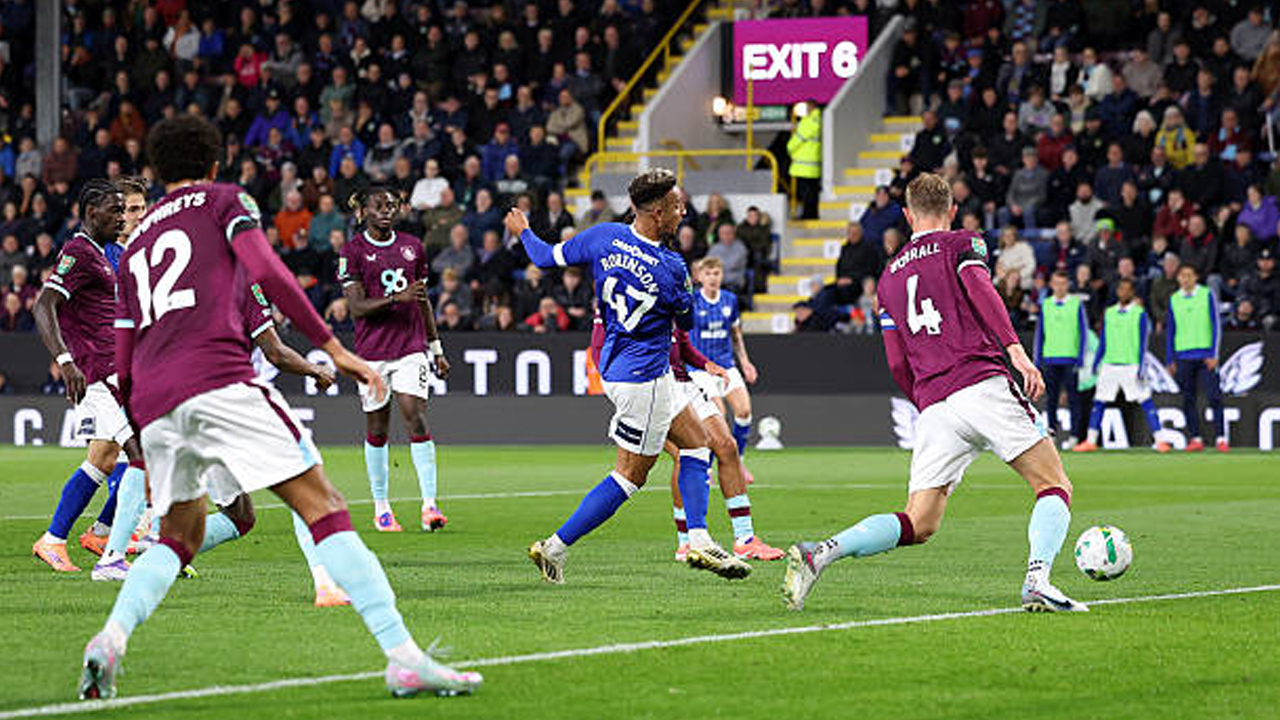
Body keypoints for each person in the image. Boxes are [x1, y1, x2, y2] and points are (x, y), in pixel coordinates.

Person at [78, 115, 480, 701]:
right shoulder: (223, 200)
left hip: (158, 401)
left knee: (175, 536)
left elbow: (123, 338)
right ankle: (403, 656)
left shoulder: (135, 241)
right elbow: (267, 269)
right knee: (325, 506)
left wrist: (139, 411)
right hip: (219, 380)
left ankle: (111, 638)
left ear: (160, 173)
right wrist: (335, 348)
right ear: (216, 164)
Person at [782, 173, 1085, 614]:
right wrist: (1017, 352)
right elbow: (982, 291)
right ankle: (1038, 579)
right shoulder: (963, 243)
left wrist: (928, 401)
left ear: (906, 216)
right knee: (1053, 483)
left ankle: (821, 551)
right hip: (980, 383)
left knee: (918, 521)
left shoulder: (887, 280)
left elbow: (896, 363)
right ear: (952, 210)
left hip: (935, 403)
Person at [505, 168, 750, 584]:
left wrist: (524, 230)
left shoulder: (603, 236)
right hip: (645, 378)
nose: (682, 211)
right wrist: (684, 290)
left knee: (697, 445)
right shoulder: (671, 265)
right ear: (656, 213)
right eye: (676, 206)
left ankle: (699, 538)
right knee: (630, 475)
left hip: (618, 364)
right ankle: (554, 547)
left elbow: (545, 257)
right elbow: (686, 321)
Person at [30, 181, 145, 574]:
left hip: (116, 372)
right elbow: (44, 304)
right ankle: (114, 554)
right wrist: (65, 360)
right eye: (116, 210)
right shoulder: (79, 252)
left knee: (103, 459)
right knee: (143, 455)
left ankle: (62, 538)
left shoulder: (101, 254)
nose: (121, 218)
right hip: (98, 373)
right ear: (92, 213)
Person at [339, 187, 452, 532]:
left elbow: (422, 301)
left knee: (414, 415)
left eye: (391, 206)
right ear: (364, 212)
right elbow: (356, 307)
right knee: (377, 428)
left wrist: (436, 350)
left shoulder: (412, 247)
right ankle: (381, 508)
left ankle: (430, 506)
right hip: (371, 353)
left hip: (410, 348)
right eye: (379, 206)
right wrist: (395, 297)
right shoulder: (353, 250)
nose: (387, 211)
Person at [1073, 278, 1169, 454]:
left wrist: (1141, 366)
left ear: (1132, 293)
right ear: (1117, 292)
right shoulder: (1109, 313)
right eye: (1121, 289)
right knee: (1099, 402)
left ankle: (1161, 440)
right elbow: (1103, 340)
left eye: (1127, 289)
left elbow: (1143, 342)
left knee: (1145, 401)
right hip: (1110, 364)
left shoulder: (1139, 313)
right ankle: (1091, 440)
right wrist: (1096, 363)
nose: (1124, 292)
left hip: (1131, 365)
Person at [687, 257, 759, 480]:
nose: (712, 278)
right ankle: (707, 467)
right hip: (702, 370)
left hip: (727, 366)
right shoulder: (691, 302)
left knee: (744, 411)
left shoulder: (730, 301)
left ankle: (738, 462)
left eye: (716, 273)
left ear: (722, 276)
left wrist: (745, 362)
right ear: (699, 277)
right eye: (708, 274)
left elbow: (736, 335)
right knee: (719, 415)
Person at [1164, 264, 1226, 452]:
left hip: (1205, 355)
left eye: (1189, 275)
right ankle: (1196, 438)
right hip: (1183, 356)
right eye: (1182, 276)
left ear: (1196, 277)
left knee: (1214, 397)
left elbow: (1216, 325)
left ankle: (1221, 438)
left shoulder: (1207, 295)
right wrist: (1170, 359)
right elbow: (1171, 331)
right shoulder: (1174, 299)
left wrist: (1214, 354)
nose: (1186, 279)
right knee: (1188, 399)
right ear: (1178, 279)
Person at [1034, 271, 1088, 449]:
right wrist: (1037, 360)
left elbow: (1083, 333)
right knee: (1051, 400)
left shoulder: (1076, 304)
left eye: (1063, 283)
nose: (1060, 287)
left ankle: (1074, 436)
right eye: (1056, 283)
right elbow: (1039, 334)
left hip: (1070, 359)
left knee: (1074, 399)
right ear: (1051, 284)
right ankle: (1052, 434)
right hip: (1050, 359)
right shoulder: (1046, 304)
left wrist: (1081, 357)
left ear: (1068, 285)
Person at [788, 102, 822, 220]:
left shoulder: (809, 121)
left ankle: (808, 215)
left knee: (806, 193)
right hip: (813, 165)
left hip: (804, 166)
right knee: (812, 192)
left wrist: (789, 147)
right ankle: (812, 214)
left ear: (812, 107)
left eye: (807, 107)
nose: (806, 109)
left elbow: (798, 139)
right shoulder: (819, 120)